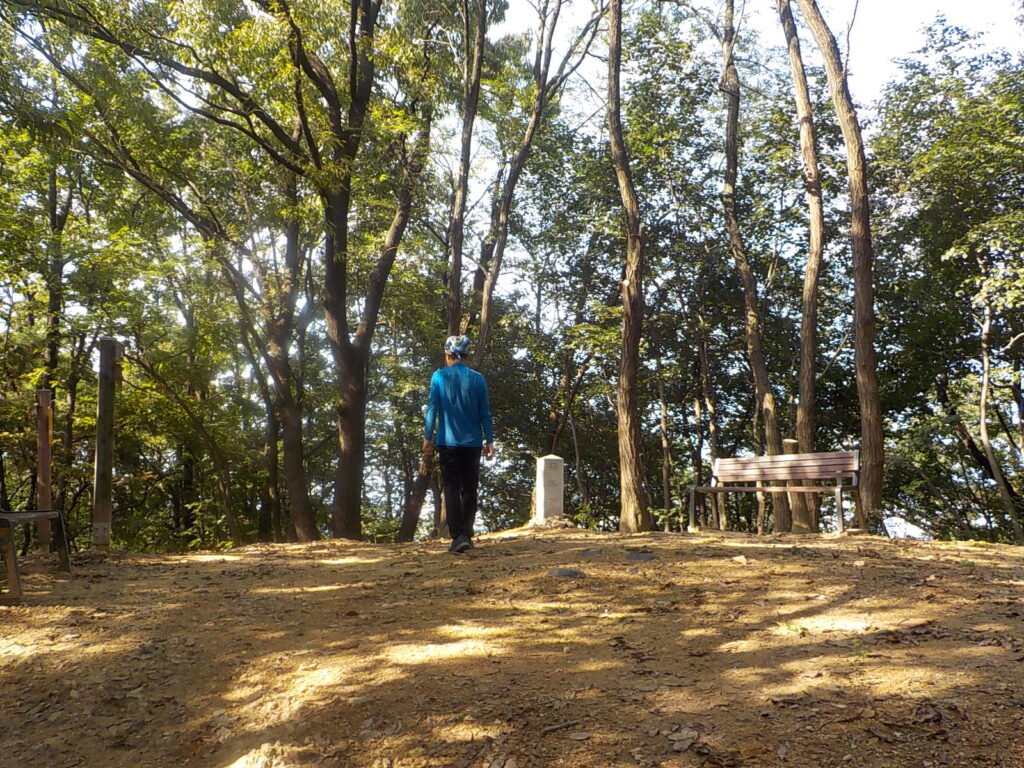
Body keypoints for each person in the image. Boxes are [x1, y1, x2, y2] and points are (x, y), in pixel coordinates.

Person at [423, 335, 495, 553]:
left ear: (448, 355)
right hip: (473, 443)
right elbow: (485, 412)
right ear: (465, 355)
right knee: (470, 488)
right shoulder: (478, 379)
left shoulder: (438, 377)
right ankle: (467, 534)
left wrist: (428, 437)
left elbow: (432, 408)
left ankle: (458, 537)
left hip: (447, 442)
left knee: (451, 487)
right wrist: (489, 440)